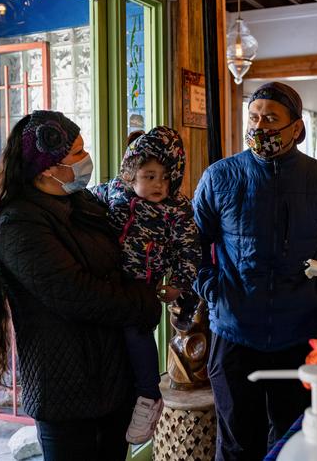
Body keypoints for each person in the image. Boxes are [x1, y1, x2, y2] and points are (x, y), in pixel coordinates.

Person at [192, 81, 317, 460]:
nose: (260, 127)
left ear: (296, 127)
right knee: (238, 447)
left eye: (271, 118)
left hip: (299, 336)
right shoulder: (220, 177)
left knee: (297, 444)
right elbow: (193, 245)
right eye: (254, 117)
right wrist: (211, 286)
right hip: (234, 333)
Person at [0, 110, 161, 461]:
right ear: (47, 167)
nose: (85, 160)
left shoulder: (82, 201)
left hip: (112, 381)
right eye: (76, 154)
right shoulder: (18, 223)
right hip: (65, 391)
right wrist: (145, 301)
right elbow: (75, 294)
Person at [92, 125, 199, 444]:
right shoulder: (113, 192)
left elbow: (189, 250)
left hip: (143, 284)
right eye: (149, 176)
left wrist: (178, 285)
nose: (158, 185)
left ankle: (149, 396)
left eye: (166, 177)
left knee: (136, 332)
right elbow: (85, 203)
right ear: (131, 172)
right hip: (107, 279)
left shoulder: (178, 210)